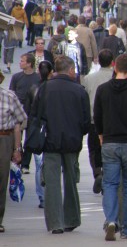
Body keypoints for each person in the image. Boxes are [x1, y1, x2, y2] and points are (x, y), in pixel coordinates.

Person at [29, 55, 91, 234]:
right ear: (71, 70)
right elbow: (86, 120)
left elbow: (35, 114)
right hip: (72, 141)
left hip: (50, 140)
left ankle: (55, 222)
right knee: (71, 180)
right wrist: (80, 132)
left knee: (52, 183)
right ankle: (71, 219)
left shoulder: (45, 88)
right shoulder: (79, 90)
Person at [94, 54, 127, 241]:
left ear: (115, 68)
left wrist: (101, 136)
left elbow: (97, 117)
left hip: (109, 142)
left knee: (110, 184)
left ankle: (110, 220)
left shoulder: (102, 90)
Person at [83, 49, 114, 194]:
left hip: (93, 120)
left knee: (94, 149)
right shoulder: (115, 77)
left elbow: (84, 98)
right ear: (112, 61)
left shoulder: (89, 78)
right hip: (111, 120)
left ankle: (97, 172)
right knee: (109, 150)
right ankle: (106, 175)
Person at [0, 70, 27, 233]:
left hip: (4, 138)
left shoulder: (9, 96)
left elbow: (20, 121)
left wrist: (17, 148)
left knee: (2, 179)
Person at [25, 60, 54, 209]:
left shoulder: (33, 88)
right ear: (51, 73)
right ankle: (49, 194)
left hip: (37, 128)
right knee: (51, 163)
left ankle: (42, 197)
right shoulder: (53, 89)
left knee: (38, 165)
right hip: (51, 129)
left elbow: (29, 112)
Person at [9, 53, 40, 175]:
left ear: (29, 64)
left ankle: (25, 164)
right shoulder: (17, 77)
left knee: (30, 138)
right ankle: (17, 160)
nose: (20, 63)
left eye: (22, 61)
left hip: (32, 111)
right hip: (18, 109)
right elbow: (12, 92)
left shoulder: (37, 78)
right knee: (17, 137)